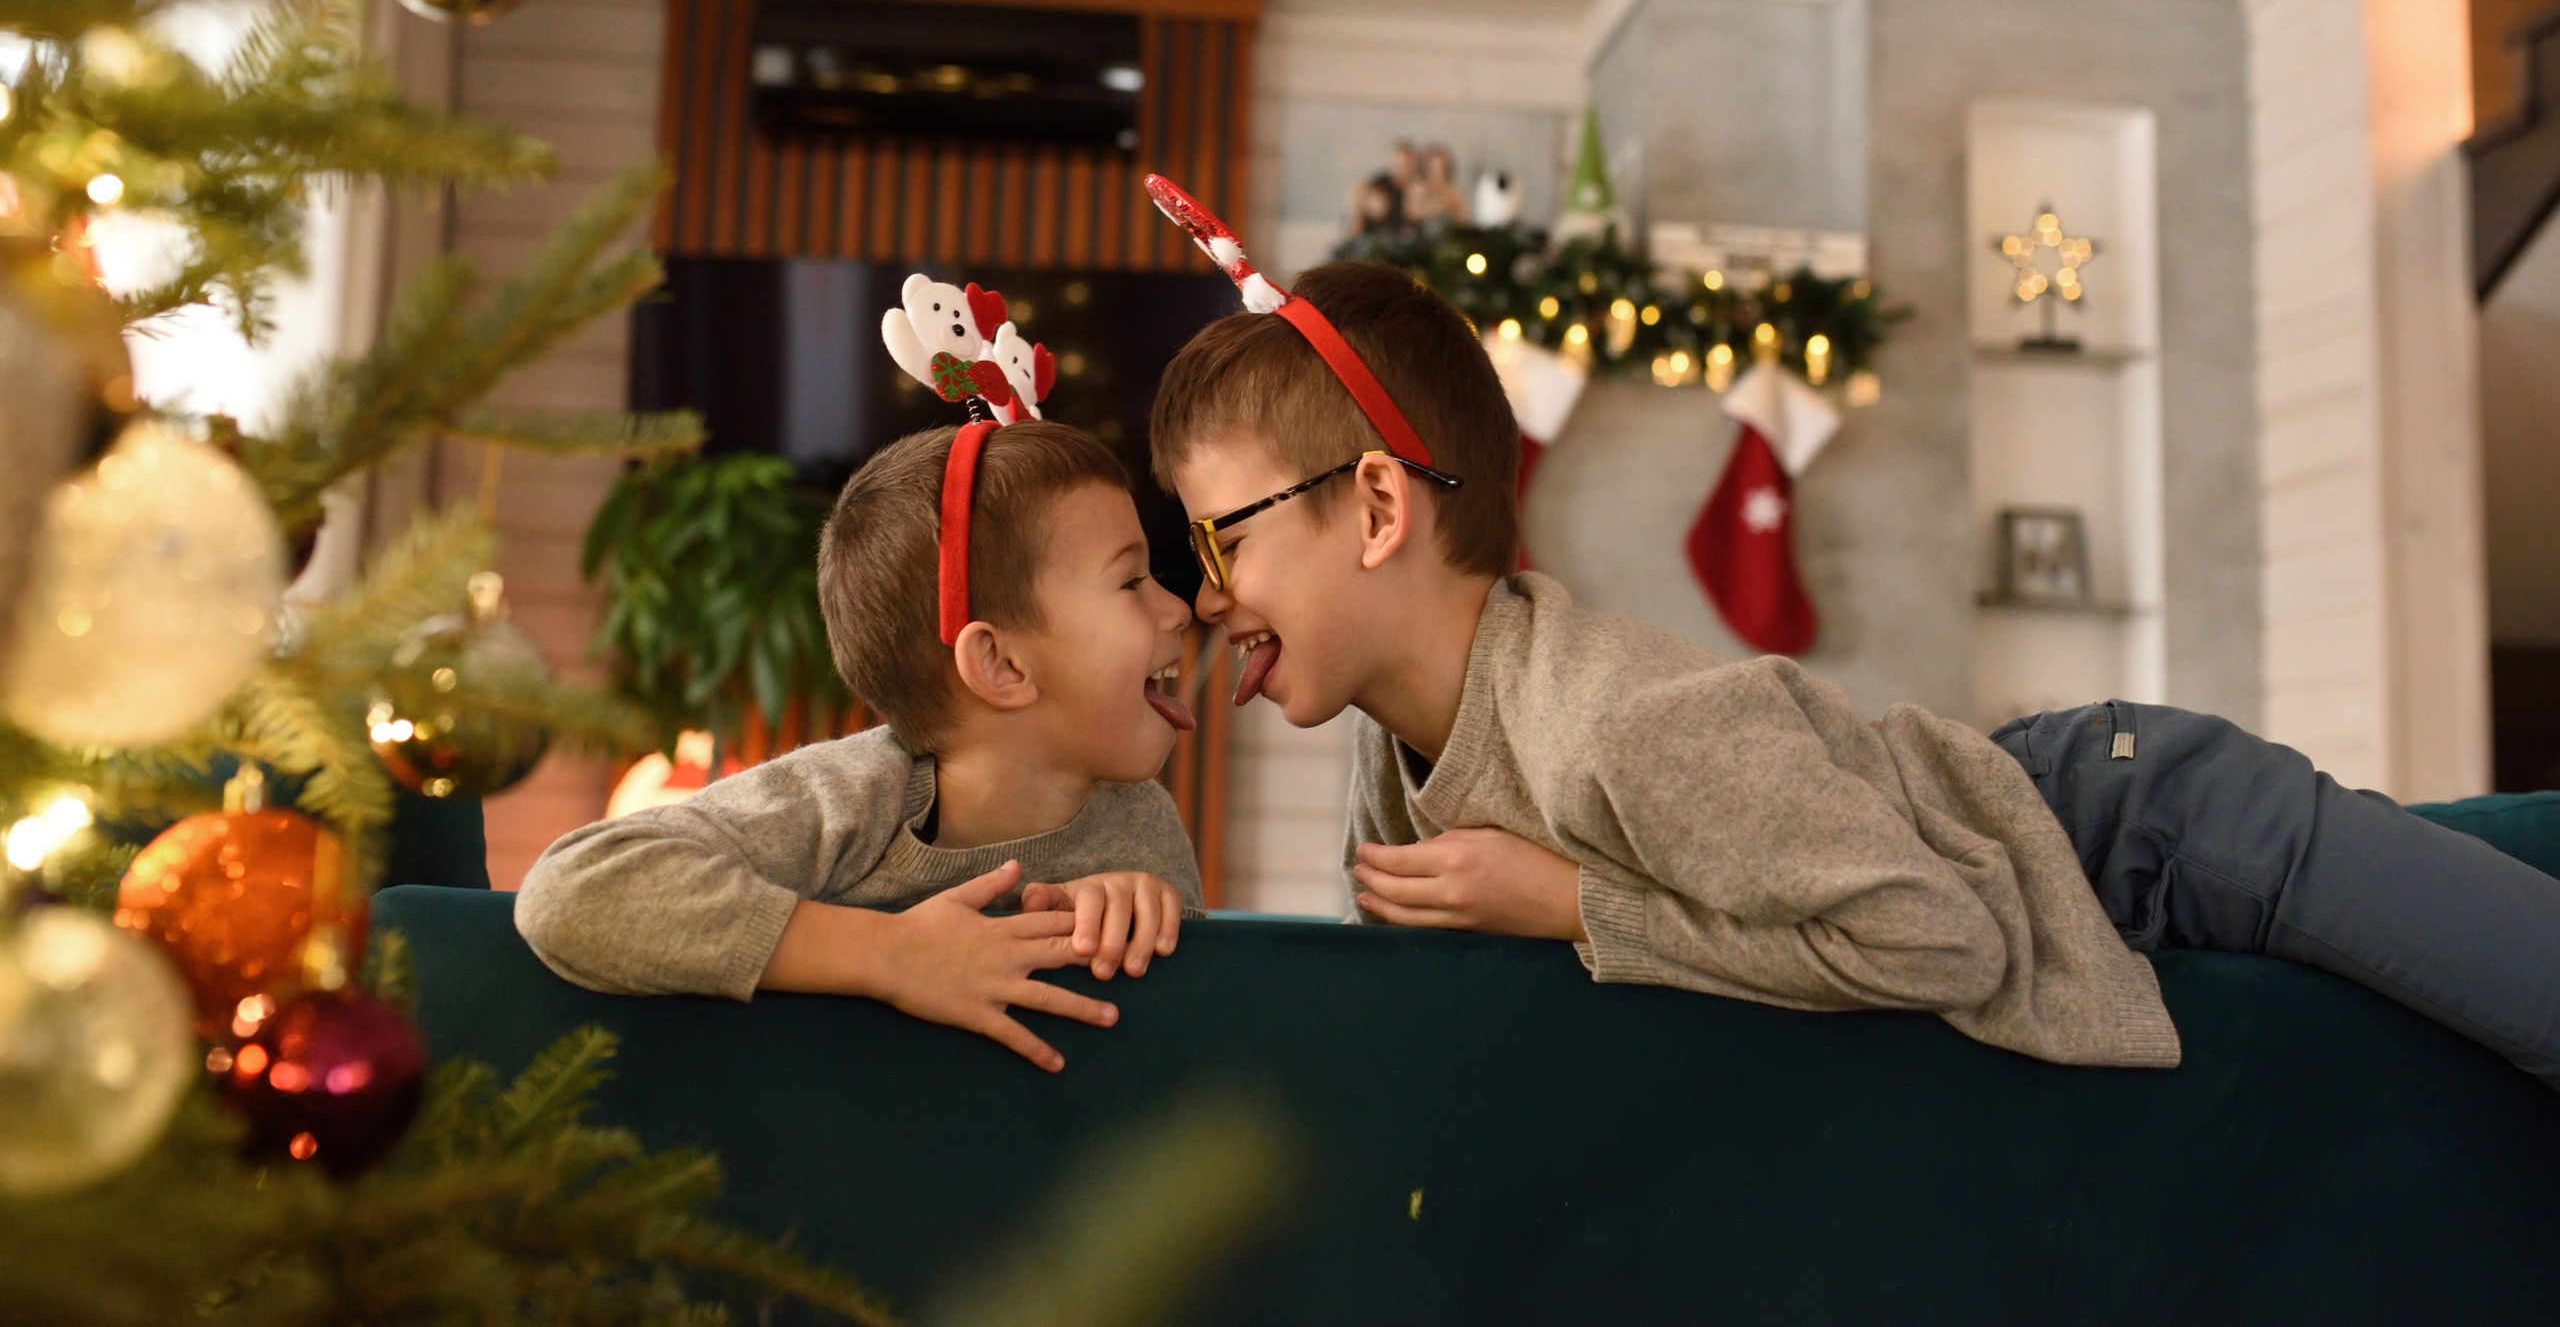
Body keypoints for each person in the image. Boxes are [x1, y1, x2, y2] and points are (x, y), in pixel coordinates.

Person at [1148, 254, 2560, 1088]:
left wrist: (1579, 903)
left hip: (2142, 824)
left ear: (1380, 510)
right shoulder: (1396, 774)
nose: (1205, 593)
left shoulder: (1619, 731)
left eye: (1220, 533)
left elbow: (1944, 938)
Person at [516, 420, 1205, 1073]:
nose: (1181, 607)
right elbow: (570, 890)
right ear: (1002, 665)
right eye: (1131, 580)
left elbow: (1193, 1059)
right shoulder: (848, 797)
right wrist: (891, 952)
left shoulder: (1141, 827)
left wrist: (1144, 925)